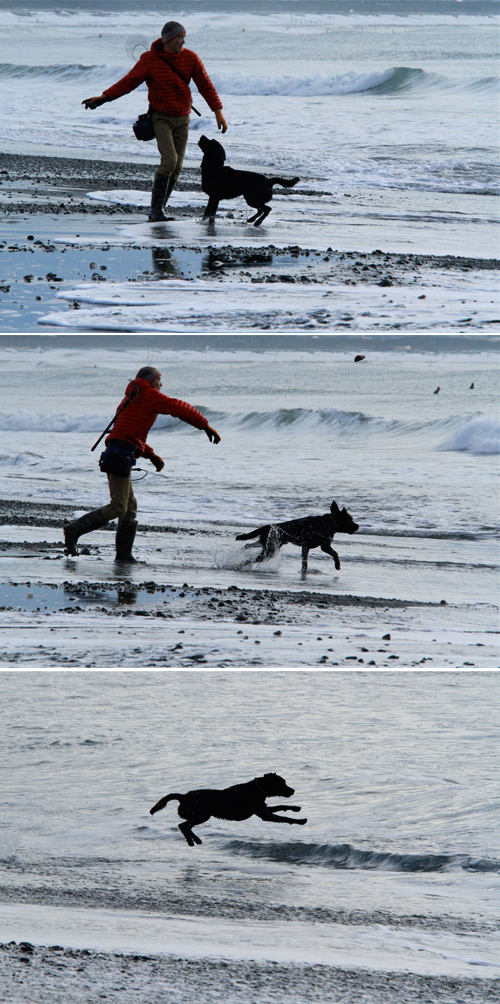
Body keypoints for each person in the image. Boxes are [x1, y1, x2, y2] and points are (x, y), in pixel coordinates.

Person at [63, 366, 221, 563]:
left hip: (119, 451)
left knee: (130, 506)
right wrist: (205, 425)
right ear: (150, 380)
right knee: (119, 506)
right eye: (159, 379)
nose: (161, 384)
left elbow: (130, 434)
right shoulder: (149, 395)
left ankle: (123, 556)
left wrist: (151, 454)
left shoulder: (131, 397)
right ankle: (73, 531)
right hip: (119, 454)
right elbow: (179, 407)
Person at [83, 21, 228, 221]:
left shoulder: (191, 58)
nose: (183, 42)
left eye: (184, 37)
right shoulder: (149, 60)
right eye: (180, 38)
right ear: (168, 39)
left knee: (177, 168)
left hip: (183, 119)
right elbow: (129, 82)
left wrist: (218, 111)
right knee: (169, 161)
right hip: (161, 117)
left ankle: (159, 210)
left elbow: (206, 85)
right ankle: (155, 211)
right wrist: (104, 98)